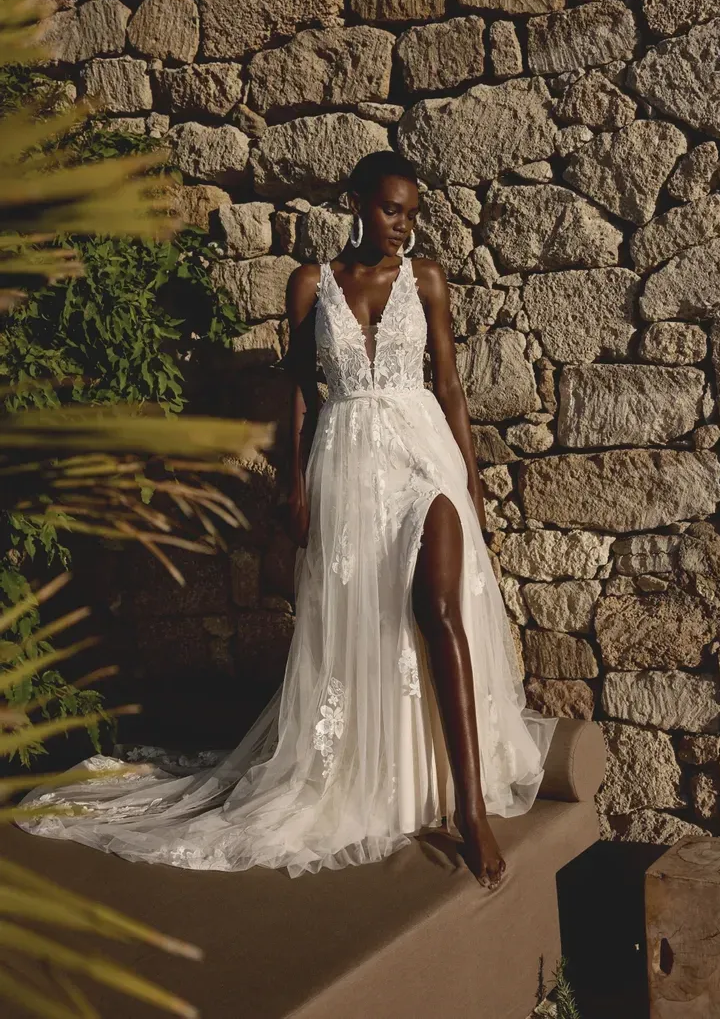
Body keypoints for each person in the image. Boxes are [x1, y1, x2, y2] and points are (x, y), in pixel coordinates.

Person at [16, 151, 557, 889]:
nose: (403, 225)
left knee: (438, 606)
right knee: (366, 617)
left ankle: (472, 812)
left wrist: (473, 481)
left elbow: (451, 383)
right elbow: (302, 391)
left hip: (423, 453)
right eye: (391, 209)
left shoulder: (427, 279)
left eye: (412, 213)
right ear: (356, 201)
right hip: (346, 461)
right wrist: (294, 485)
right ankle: (385, 766)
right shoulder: (311, 285)